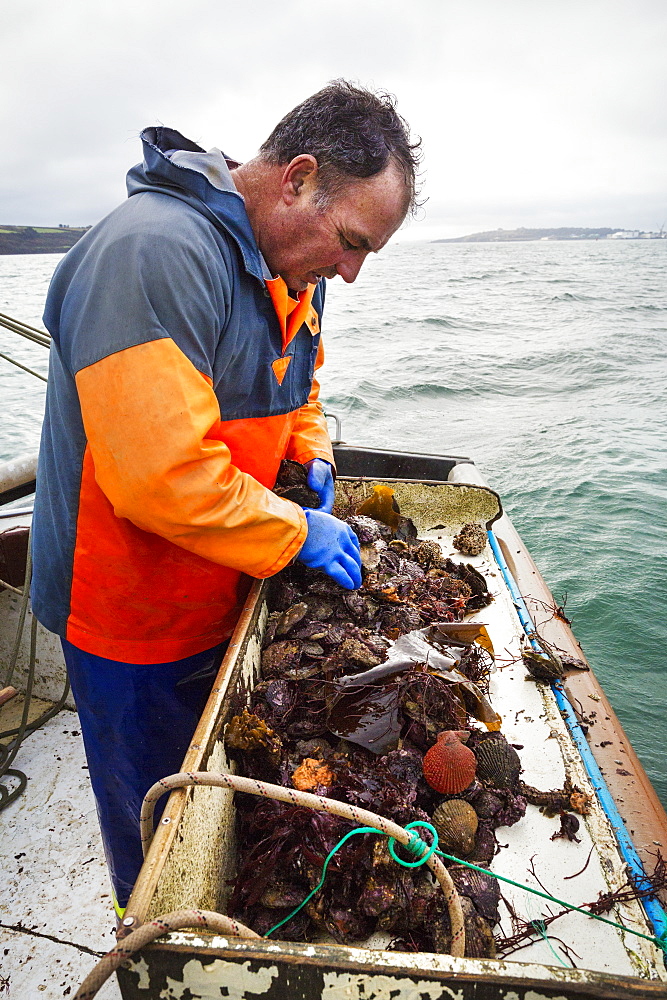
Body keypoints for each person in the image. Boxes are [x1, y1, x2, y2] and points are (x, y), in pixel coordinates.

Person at [31, 80, 421, 913]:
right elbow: (158, 475)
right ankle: (161, 947)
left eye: (365, 256)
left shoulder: (294, 270)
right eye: (351, 242)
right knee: (163, 832)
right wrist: (297, 535)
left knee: (232, 806)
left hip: (230, 587)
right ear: (298, 178)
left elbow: (304, 390)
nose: (349, 274)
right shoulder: (154, 253)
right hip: (130, 622)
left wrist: (310, 458)